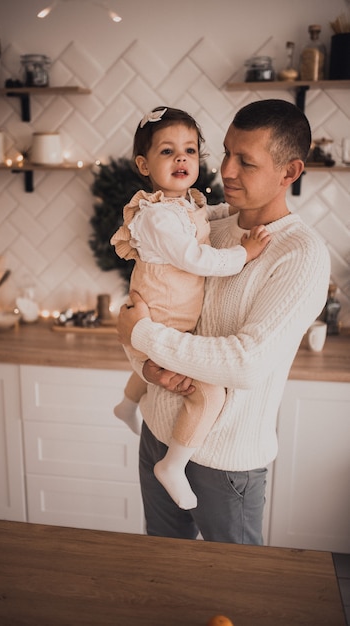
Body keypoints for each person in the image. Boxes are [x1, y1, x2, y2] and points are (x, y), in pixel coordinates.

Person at [117, 99, 331, 545]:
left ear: (289, 172)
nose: (227, 171)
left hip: (227, 463)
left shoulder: (301, 255)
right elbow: (148, 305)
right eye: (226, 153)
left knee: (233, 595)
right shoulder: (203, 224)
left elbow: (245, 363)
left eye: (246, 162)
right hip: (158, 433)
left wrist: (142, 335)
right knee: (161, 577)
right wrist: (145, 365)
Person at [110, 106, 270, 510]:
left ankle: (127, 405)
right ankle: (173, 464)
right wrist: (242, 253)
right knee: (209, 394)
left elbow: (207, 217)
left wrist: (232, 215)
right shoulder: (158, 218)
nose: (182, 158)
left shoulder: (182, 204)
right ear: (144, 165)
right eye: (168, 151)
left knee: (149, 366)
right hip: (160, 322)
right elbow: (198, 258)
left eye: (190, 150)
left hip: (163, 321)